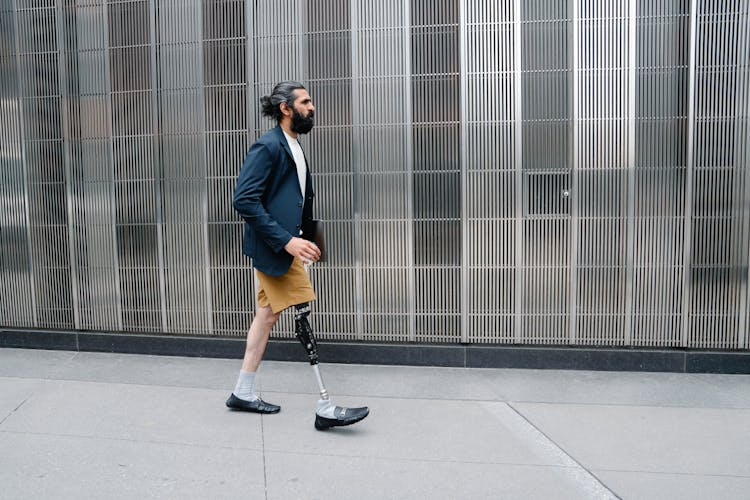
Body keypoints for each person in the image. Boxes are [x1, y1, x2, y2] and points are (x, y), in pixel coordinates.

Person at [227, 81, 369, 430]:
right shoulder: (267, 147)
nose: (313, 106)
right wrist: (288, 242)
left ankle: (242, 392)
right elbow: (244, 200)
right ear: (286, 108)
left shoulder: (294, 146)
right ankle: (325, 406)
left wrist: (310, 241)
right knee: (302, 312)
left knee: (267, 316)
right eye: (305, 102)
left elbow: (298, 201)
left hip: (286, 247)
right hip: (274, 247)